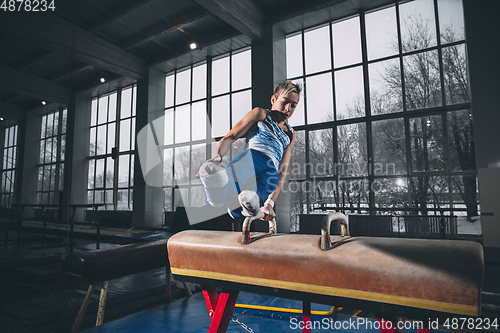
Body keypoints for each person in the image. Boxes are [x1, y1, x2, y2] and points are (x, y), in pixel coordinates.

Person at [198, 80, 302, 225]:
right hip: (251, 158)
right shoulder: (261, 114)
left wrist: (270, 203)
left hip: (270, 169)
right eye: (284, 102)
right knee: (233, 178)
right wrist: (218, 156)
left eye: (293, 105)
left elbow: (283, 170)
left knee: (264, 186)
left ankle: (248, 206)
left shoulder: (291, 134)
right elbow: (232, 135)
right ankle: (214, 185)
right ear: (273, 99)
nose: (288, 108)